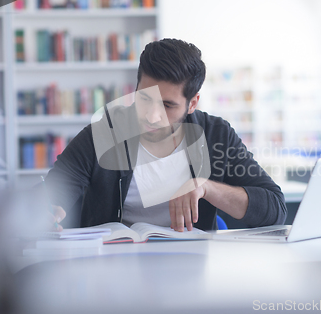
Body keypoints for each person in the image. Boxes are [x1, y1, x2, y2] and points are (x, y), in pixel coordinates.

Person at [45, 38, 286, 232]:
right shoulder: (102, 134)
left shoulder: (216, 135)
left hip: (192, 268)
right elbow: (51, 193)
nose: (151, 115)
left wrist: (206, 188)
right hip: (114, 268)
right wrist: (47, 210)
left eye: (168, 105)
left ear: (192, 104)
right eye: (145, 99)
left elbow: (275, 209)